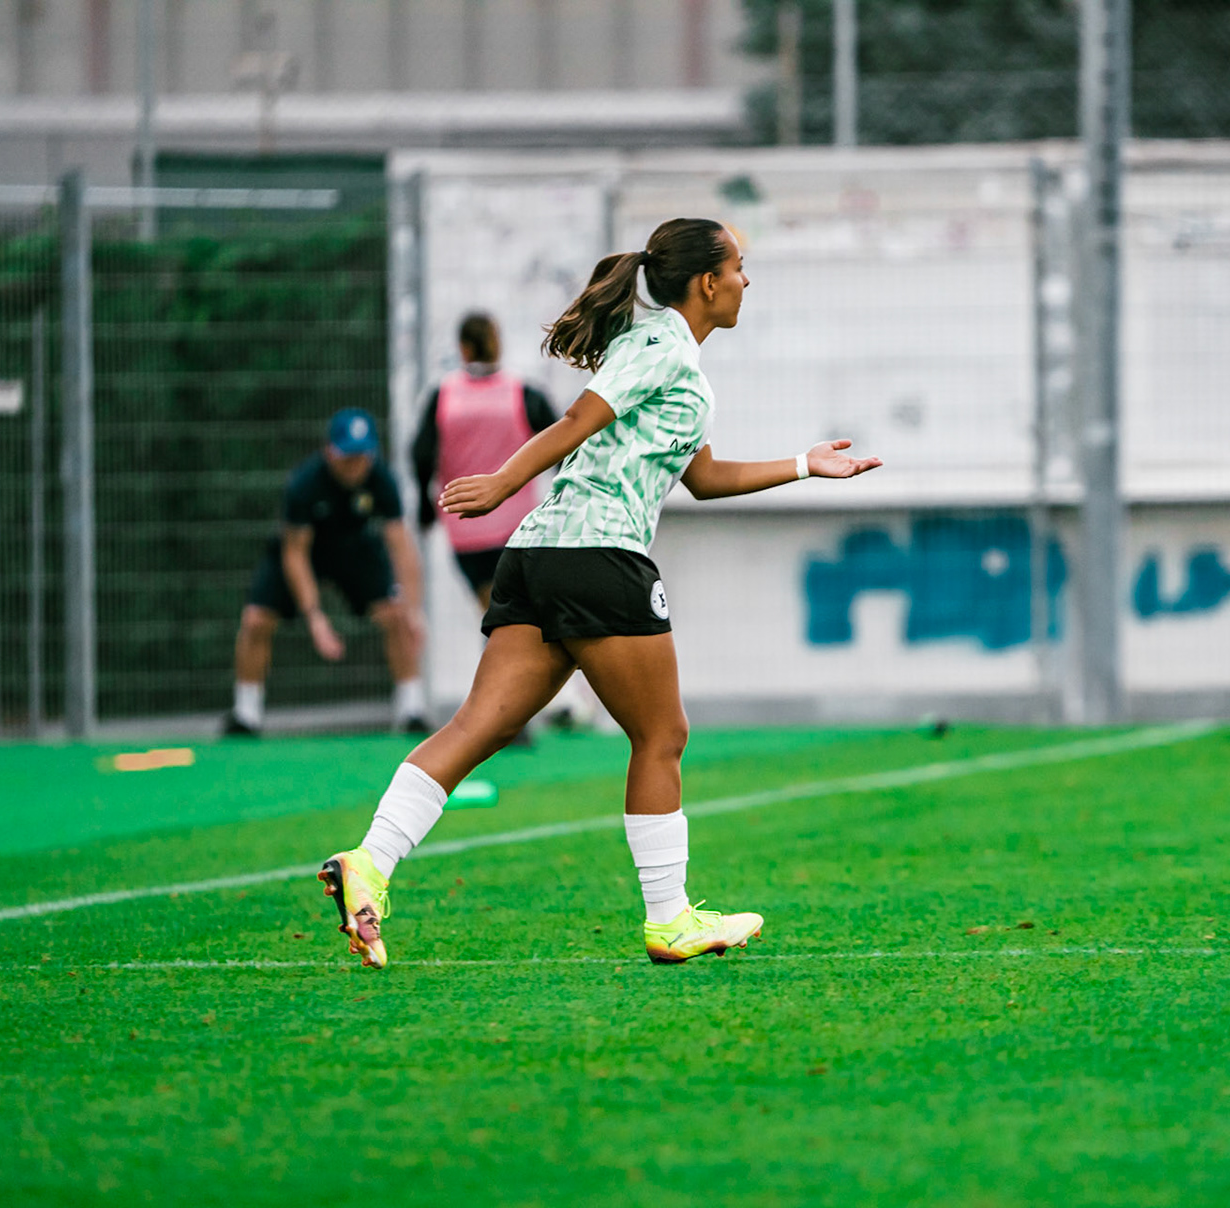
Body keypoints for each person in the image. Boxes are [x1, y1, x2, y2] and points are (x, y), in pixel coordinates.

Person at [316, 217, 882, 970]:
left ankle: (370, 861)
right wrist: (504, 483)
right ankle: (669, 919)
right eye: (741, 267)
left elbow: (704, 480)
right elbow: (580, 419)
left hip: (542, 557)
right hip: (597, 555)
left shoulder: (671, 358)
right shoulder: (658, 346)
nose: (748, 280)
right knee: (662, 737)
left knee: (478, 728)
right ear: (707, 282)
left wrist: (806, 466)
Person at [225, 408, 430, 737]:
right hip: (305, 552)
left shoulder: (381, 478)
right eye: (348, 457)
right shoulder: (305, 483)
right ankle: (246, 713)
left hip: (355, 549)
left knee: (397, 615)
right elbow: (295, 554)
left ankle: (412, 708)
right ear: (329, 452)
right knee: (256, 619)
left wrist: (415, 609)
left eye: (363, 457)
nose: (356, 465)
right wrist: (315, 617)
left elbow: (401, 546)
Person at [411, 312, 558, 611]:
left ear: (463, 347)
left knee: (495, 611)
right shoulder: (522, 393)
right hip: (518, 526)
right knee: (518, 611)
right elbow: (561, 444)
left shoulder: (444, 396)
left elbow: (421, 454)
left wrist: (424, 507)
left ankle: (503, 654)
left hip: (466, 529)